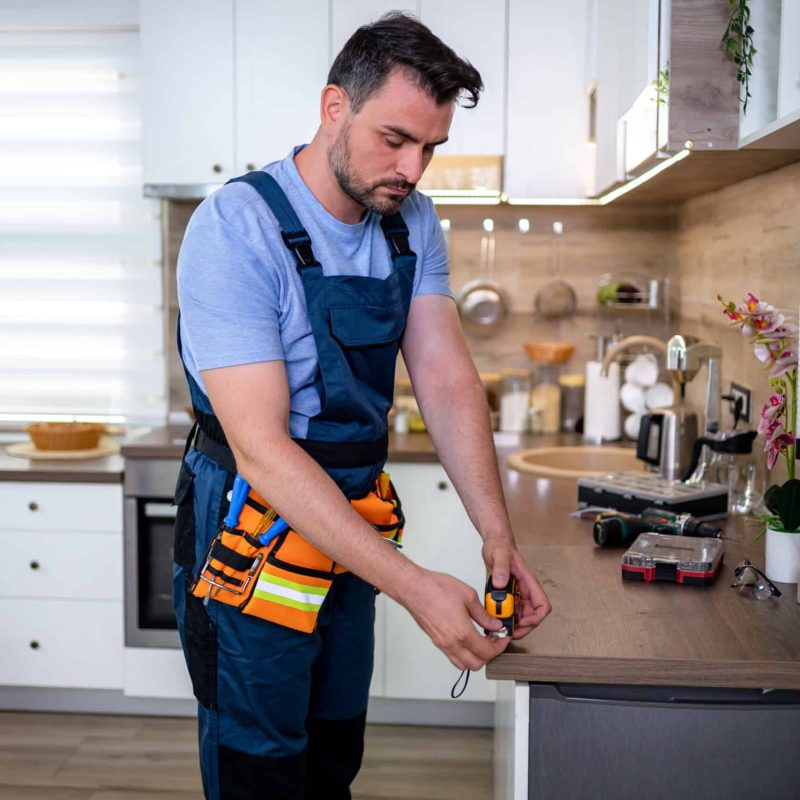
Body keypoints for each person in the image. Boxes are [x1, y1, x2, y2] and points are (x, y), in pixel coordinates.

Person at [174, 11, 551, 800]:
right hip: (254, 515)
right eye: (395, 140)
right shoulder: (238, 228)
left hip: (353, 512)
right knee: (262, 758)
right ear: (334, 107)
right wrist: (416, 587)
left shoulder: (409, 220)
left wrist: (497, 537)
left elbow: (446, 377)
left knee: (334, 745)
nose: (413, 170)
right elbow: (262, 450)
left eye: (430, 148)